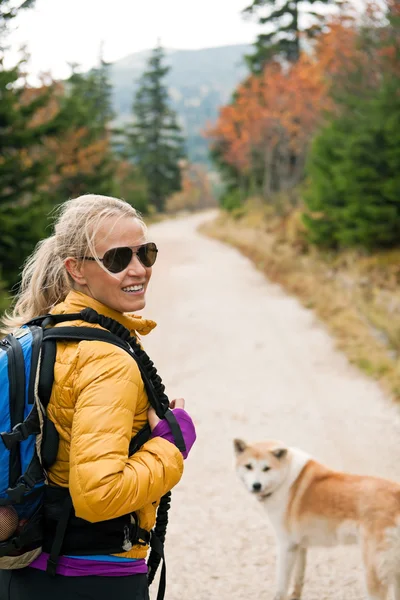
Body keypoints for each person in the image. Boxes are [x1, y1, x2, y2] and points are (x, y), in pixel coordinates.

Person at [0, 194, 196, 600]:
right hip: (91, 577)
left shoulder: (43, 333)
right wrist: (172, 445)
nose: (138, 268)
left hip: (23, 569)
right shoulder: (107, 359)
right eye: (117, 258)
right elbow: (98, 495)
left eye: (146, 252)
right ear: (76, 269)